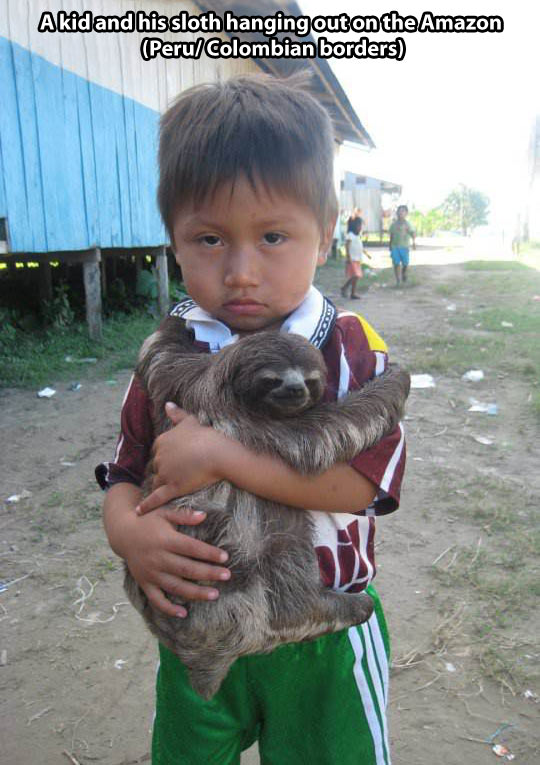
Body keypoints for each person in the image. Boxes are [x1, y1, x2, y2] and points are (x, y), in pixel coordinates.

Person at [96, 73, 405, 765]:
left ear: (324, 235)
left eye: (272, 236)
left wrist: (221, 457)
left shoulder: (349, 341)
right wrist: (127, 531)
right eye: (208, 239)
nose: (240, 271)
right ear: (173, 240)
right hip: (196, 627)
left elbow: (365, 482)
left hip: (320, 635)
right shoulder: (171, 348)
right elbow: (123, 467)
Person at [341, 215, 372, 299]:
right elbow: (347, 245)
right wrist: (348, 256)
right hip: (352, 259)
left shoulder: (358, 236)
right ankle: (345, 287)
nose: (360, 227)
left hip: (357, 259)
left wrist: (366, 254)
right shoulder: (350, 235)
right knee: (356, 275)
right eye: (359, 225)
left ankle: (352, 293)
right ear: (354, 226)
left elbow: (360, 247)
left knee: (355, 277)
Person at [389, 204, 416, 286]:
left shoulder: (408, 224)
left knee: (405, 264)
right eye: (399, 211)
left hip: (405, 246)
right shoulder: (394, 224)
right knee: (396, 263)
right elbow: (391, 235)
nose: (401, 213)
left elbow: (413, 234)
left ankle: (404, 273)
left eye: (403, 211)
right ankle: (398, 280)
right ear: (397, 213)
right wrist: (390, 245)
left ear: (406, 213)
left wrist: (414, 243)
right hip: (395, 246)